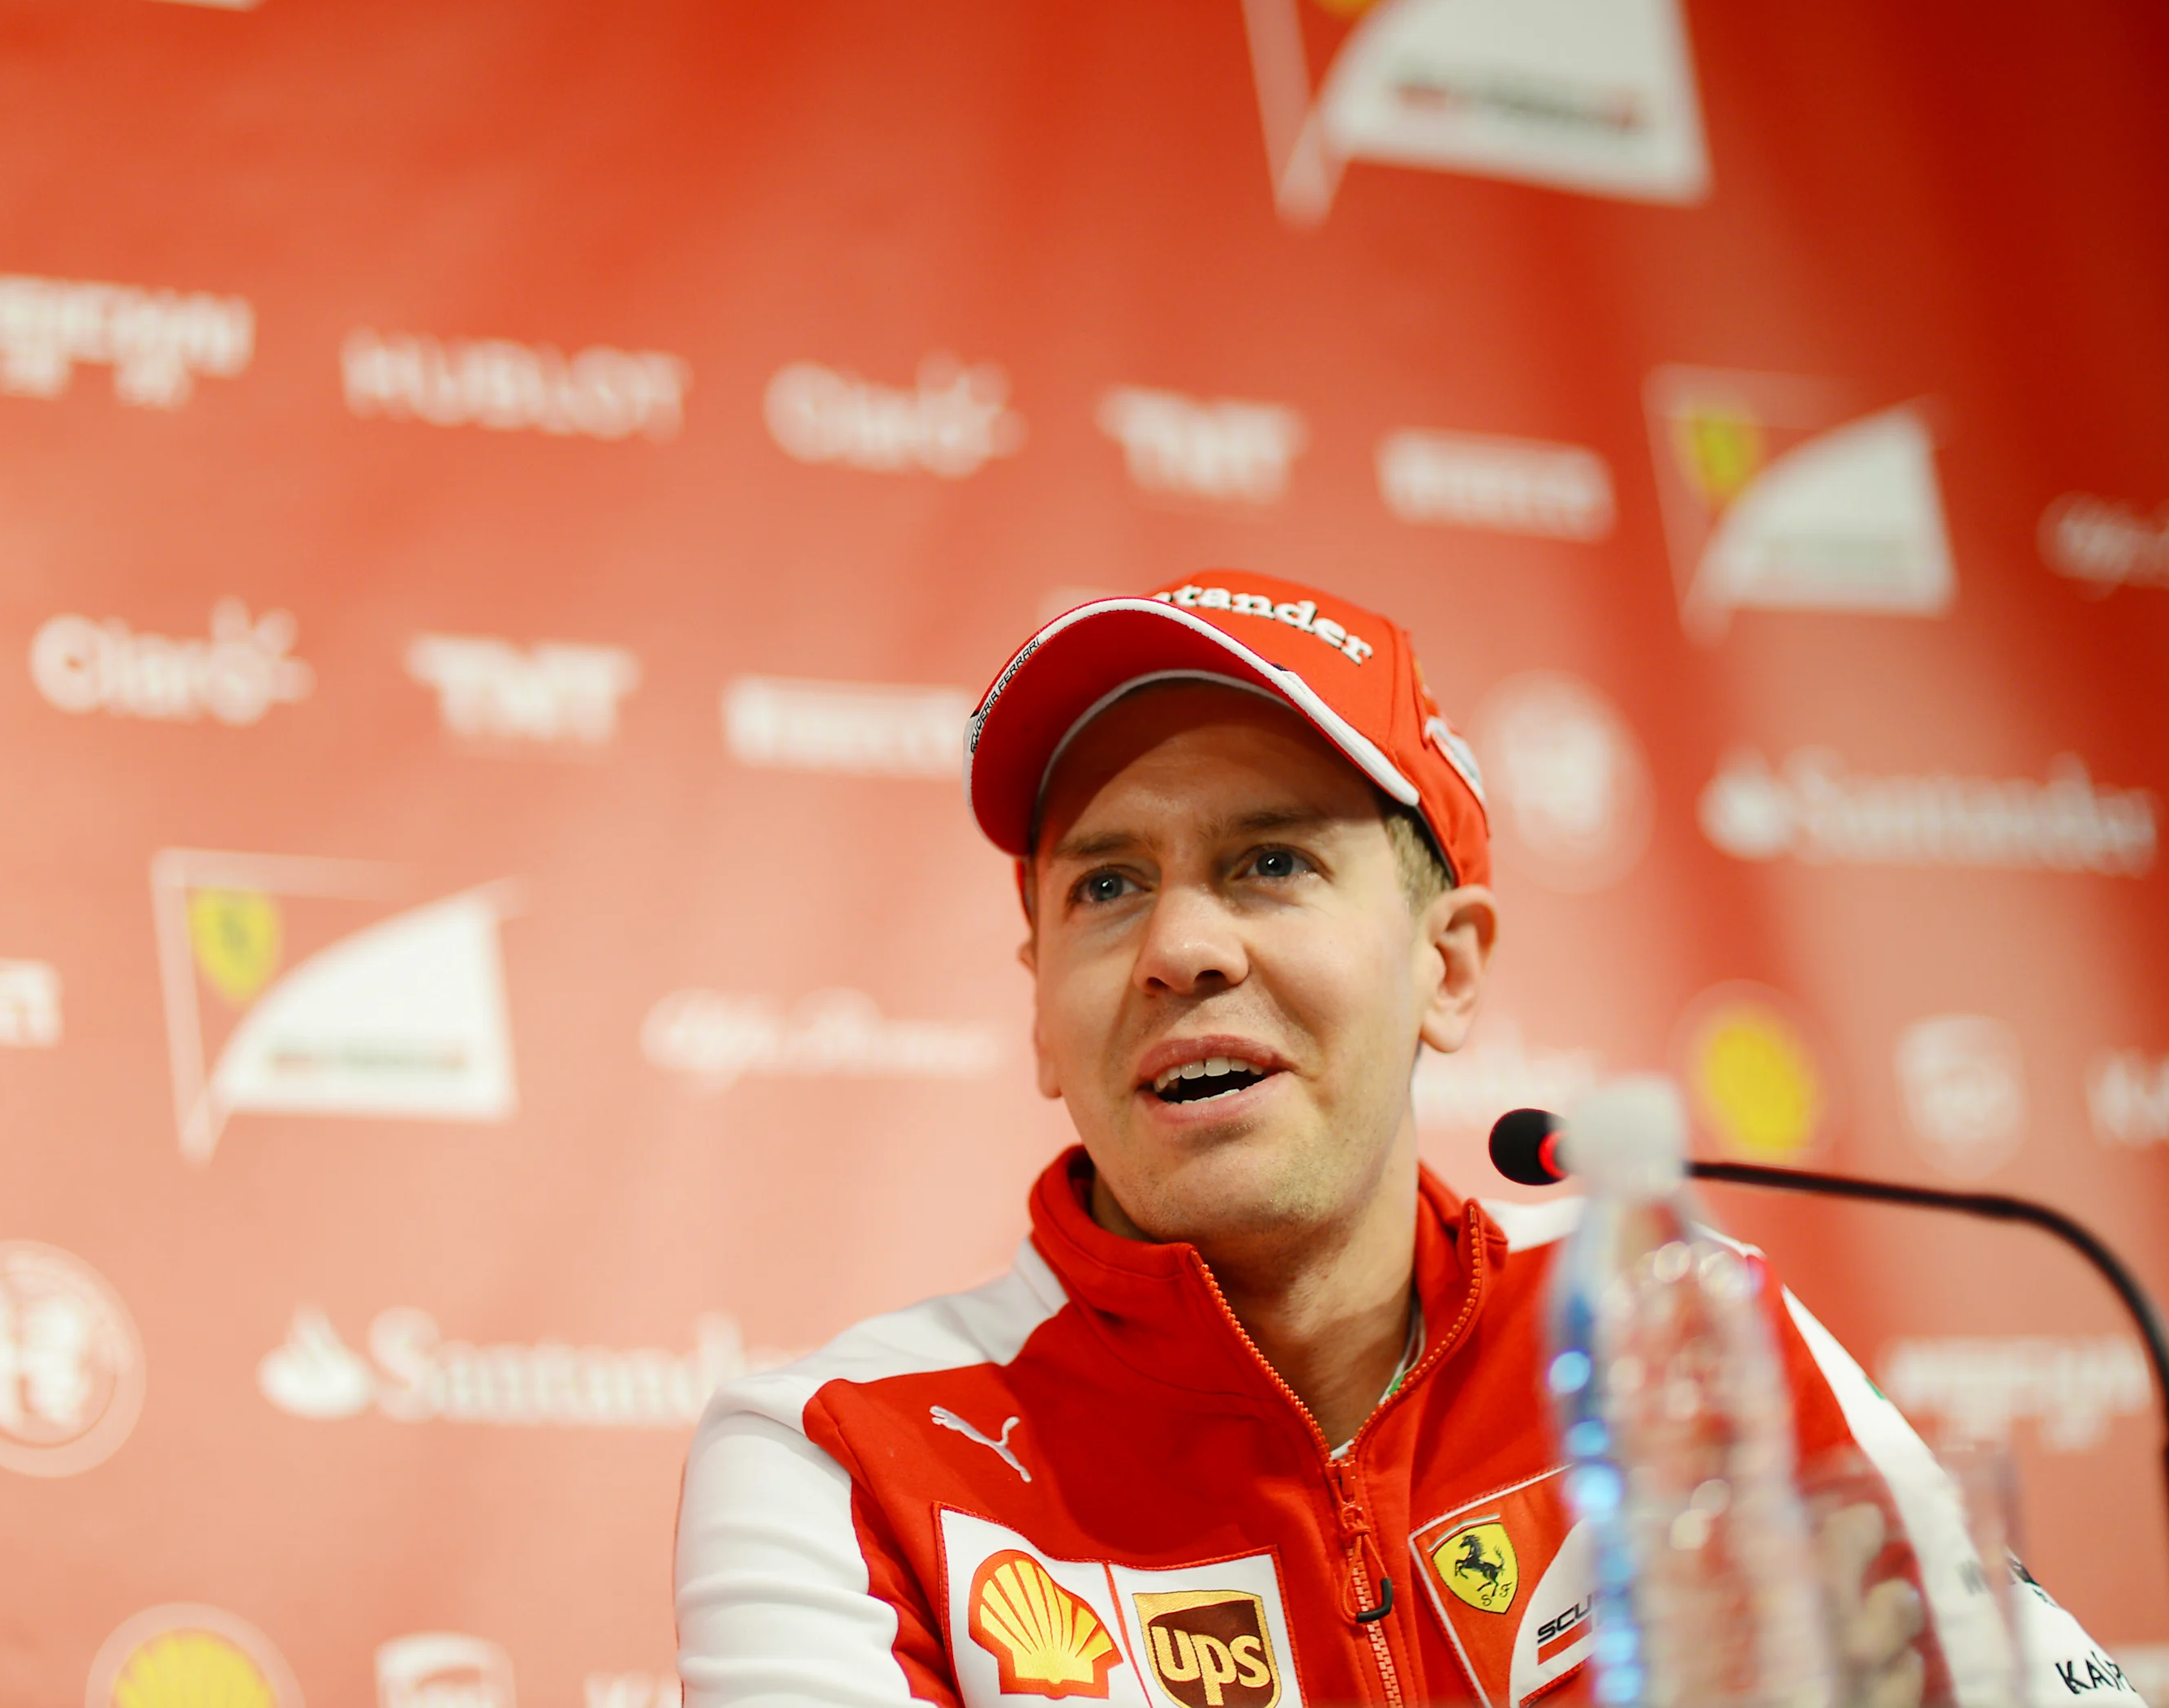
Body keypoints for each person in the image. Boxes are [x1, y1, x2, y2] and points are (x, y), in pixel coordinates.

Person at [673, 570, 2135, 1708]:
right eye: (1108, 883)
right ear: (1044, 1022)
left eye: (1270, 861)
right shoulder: (844, 1457)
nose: (1180, 944)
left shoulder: (1685, 1332)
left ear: (1448, 966)